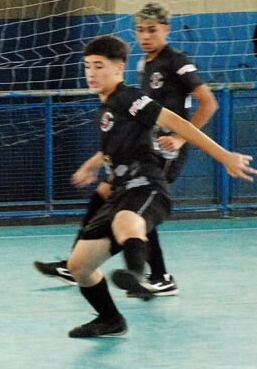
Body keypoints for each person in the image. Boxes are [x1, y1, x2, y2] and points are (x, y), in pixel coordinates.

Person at [62, 35, 253, 338]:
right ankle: (111, 320)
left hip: (147, 186)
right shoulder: (107, 107)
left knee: (127, 221)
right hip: (121, 191)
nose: (91, 73)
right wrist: (92, 165)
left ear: (119, 67)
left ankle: (138, 276)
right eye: (87, 66)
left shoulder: (130, 98)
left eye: (99, 66)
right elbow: (118, 145)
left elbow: (178, 123)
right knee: (79, 266)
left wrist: (224, 156)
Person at [34, 2, 218, 297]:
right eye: (140, 30)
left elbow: (208, 103)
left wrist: (181, 139)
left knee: (136, 201)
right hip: (144, 144)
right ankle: (93, 264)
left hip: (164, 149)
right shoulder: (145, 65)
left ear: (166, 30)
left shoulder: (176, 61)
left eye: (152, 30)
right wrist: (94, 163)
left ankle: (152, 274)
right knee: (117, 197)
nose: (145, 36)